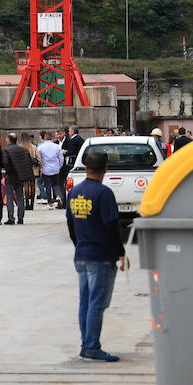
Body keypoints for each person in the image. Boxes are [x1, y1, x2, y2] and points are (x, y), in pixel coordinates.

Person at [66, 149, 129, 362]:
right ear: (106, 169)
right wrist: (120, 253)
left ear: (85, 168)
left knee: (86, 302)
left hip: (82, 254)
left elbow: (71, 224)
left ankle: (86, 345)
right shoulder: (104, 193)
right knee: (96, 303)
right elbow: (111, 226)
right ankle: (92, 346)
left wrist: (79, 245)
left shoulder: (74, 192)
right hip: (100, 256)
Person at [2, 132, 33, 225]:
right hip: (20, 176)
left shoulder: (5, 150)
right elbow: (29, 162)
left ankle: (11, 218)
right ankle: (21, 218)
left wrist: (8, 172)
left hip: (10, 176)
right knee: (20, 197)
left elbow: (5, 163)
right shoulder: (23, 150)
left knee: (10, 196)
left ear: (8, 140)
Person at [38, 133, 64, 208]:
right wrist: (59, 166)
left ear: (45, 138)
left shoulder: (41, 147)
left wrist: (41, 167)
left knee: (48, 186)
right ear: (52, 138)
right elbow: (61, 158)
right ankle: (58, 196)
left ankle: (49, 203)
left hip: (46, 169)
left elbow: (40, 158)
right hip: (55, 169)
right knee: (56, 184)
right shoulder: (57, 147)